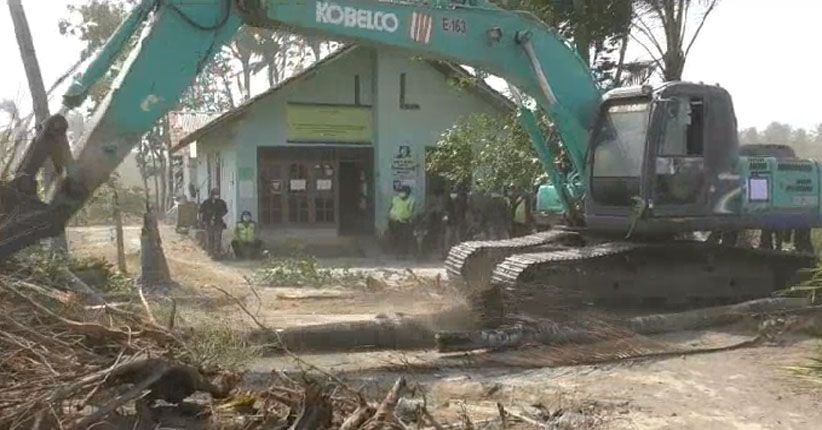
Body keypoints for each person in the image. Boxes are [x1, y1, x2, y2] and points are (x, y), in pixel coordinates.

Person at [199, 188, 227, 259]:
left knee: (218, 238)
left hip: (218, 222)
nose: (216, 196)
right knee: (210, 237)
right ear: (212, 194)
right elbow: (201, 211)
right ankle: (210, 252)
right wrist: (204, 219)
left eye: (217, 194)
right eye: (215, 194)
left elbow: (225, 211)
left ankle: (217, 252)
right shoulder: (206, 202)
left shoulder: (221, 202)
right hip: (208, 222)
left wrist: (219, 215)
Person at [388, 185, 415, 257]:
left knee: (404, 238)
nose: (400, 193)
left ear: (407, 193)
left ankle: (403, 253)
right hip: (394, 221)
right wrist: (391, 216)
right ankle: (397, 252)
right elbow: (390, 209)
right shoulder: (395, 199)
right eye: (400, 192)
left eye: (402, 192)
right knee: (396, 238)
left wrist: (408, 218)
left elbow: (411, 211)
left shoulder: (411, 200)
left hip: (405, 222)